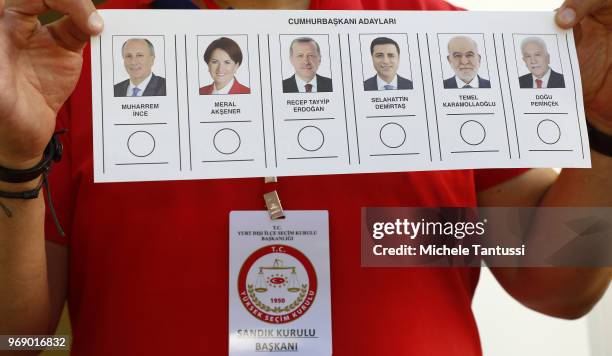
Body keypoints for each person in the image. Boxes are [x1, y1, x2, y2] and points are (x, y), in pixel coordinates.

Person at [0, 0, 611, 355]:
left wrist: (607, 131)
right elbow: (20, 339)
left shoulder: (440, 39)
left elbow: (555, 283)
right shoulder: (90, 50)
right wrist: (12, 152)